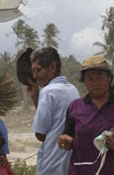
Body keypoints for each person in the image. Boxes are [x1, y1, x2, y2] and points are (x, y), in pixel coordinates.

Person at [58, 55, 114, 175]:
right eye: (90, 79)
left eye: (100, 78)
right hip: (81, 171)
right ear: (84, 81)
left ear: (109, 78)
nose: (96, 83)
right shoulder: (74, 107)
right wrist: (64, 141)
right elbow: (68, 136)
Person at [25, 47, 80, 175]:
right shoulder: (73, 89)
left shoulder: (48, 91)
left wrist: (36, 96)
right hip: (69, 160)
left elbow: (41, 134)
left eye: (38, 70)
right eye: (33, 71)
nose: (35, 76)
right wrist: (34, 96)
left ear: (52, 67)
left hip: (52, 162)